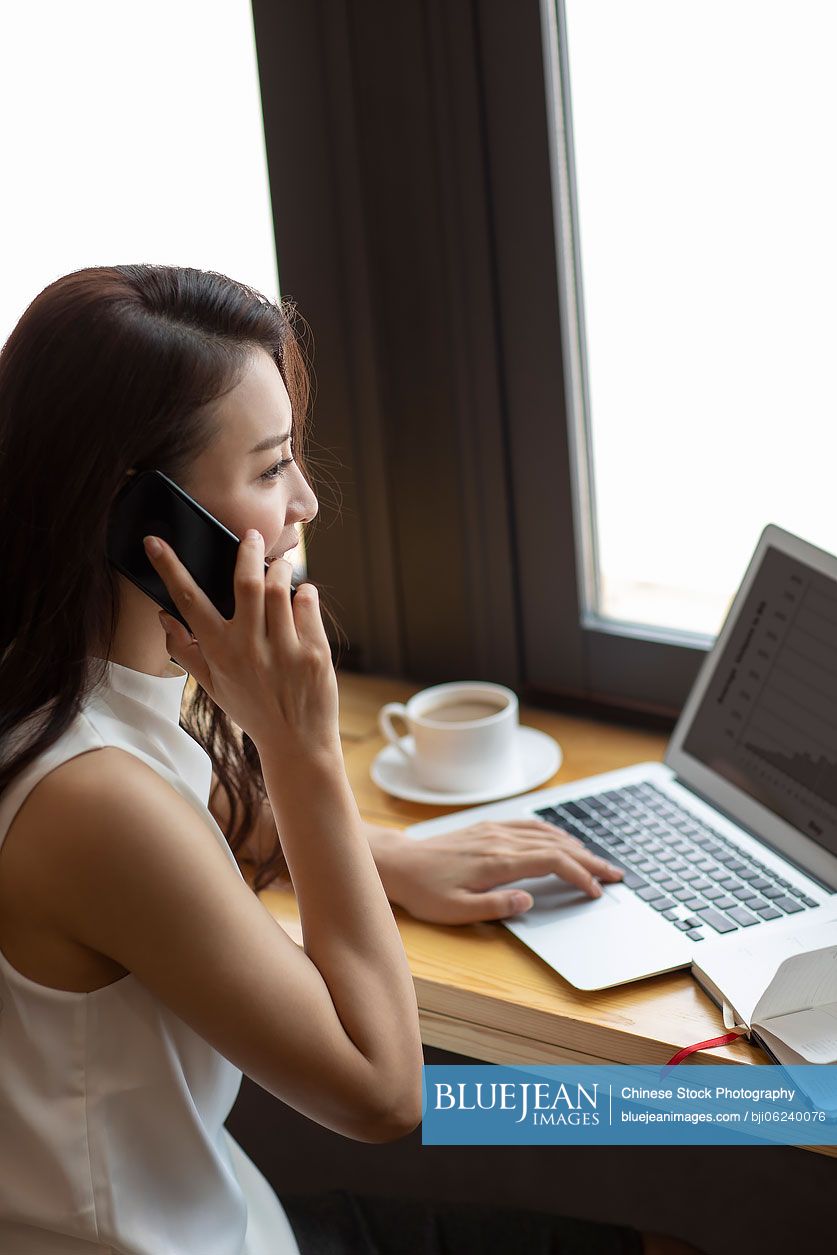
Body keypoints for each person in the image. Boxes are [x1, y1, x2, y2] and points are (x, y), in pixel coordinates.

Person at [0, 264, 704, 1255]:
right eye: (269, 467)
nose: (307, 503)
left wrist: (390, 857)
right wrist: (303, 746)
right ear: (139, 521)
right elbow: (383, 1091)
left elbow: (195, 801)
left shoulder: (64, 684)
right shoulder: (88, 802)